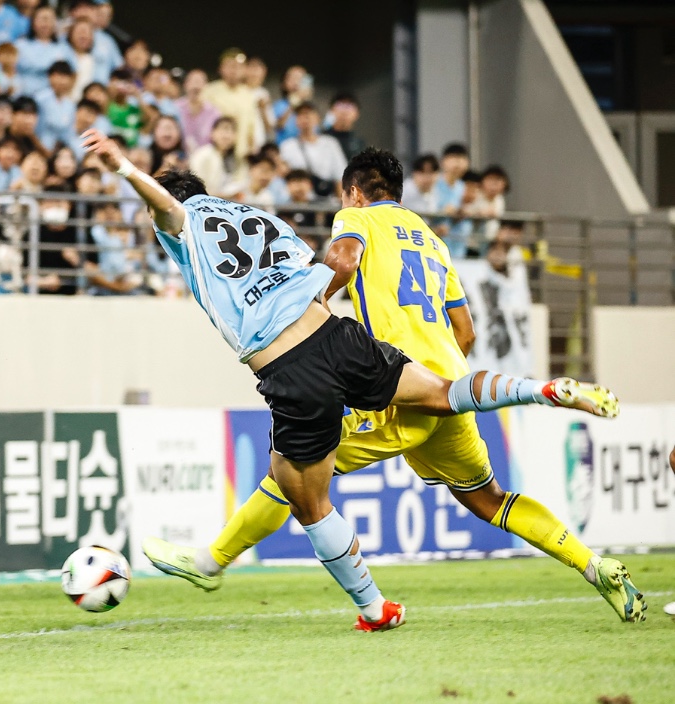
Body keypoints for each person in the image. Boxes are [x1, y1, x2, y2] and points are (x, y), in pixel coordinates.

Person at [81, 129, 622, 631]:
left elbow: (338, 257)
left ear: (355, 193)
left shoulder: (351, 218)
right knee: (490, 495)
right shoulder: (429, 239)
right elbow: (466, 331)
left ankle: (237, 568)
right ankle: (548, 412)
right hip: (407, 367)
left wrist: (123, 166)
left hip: (315, 372)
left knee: (296, 487)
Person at [279, 101, 346, 197]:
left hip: (326, 198)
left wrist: (342, 200)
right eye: (300, 115)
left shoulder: (330, 143)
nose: (305, 118)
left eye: (308, 114)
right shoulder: (287, 146)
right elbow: (282, 176)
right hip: (298, 199)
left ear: (317, 118)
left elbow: (340, 176)